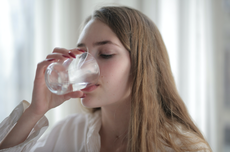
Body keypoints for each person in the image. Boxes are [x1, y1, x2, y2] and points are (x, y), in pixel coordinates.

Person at [0, 6, 212, 152]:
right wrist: (35, 112)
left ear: (142, 65)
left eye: (106, 54)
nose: (84, 65)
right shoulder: (69, 133)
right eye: (81, 55)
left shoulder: (182, 147)